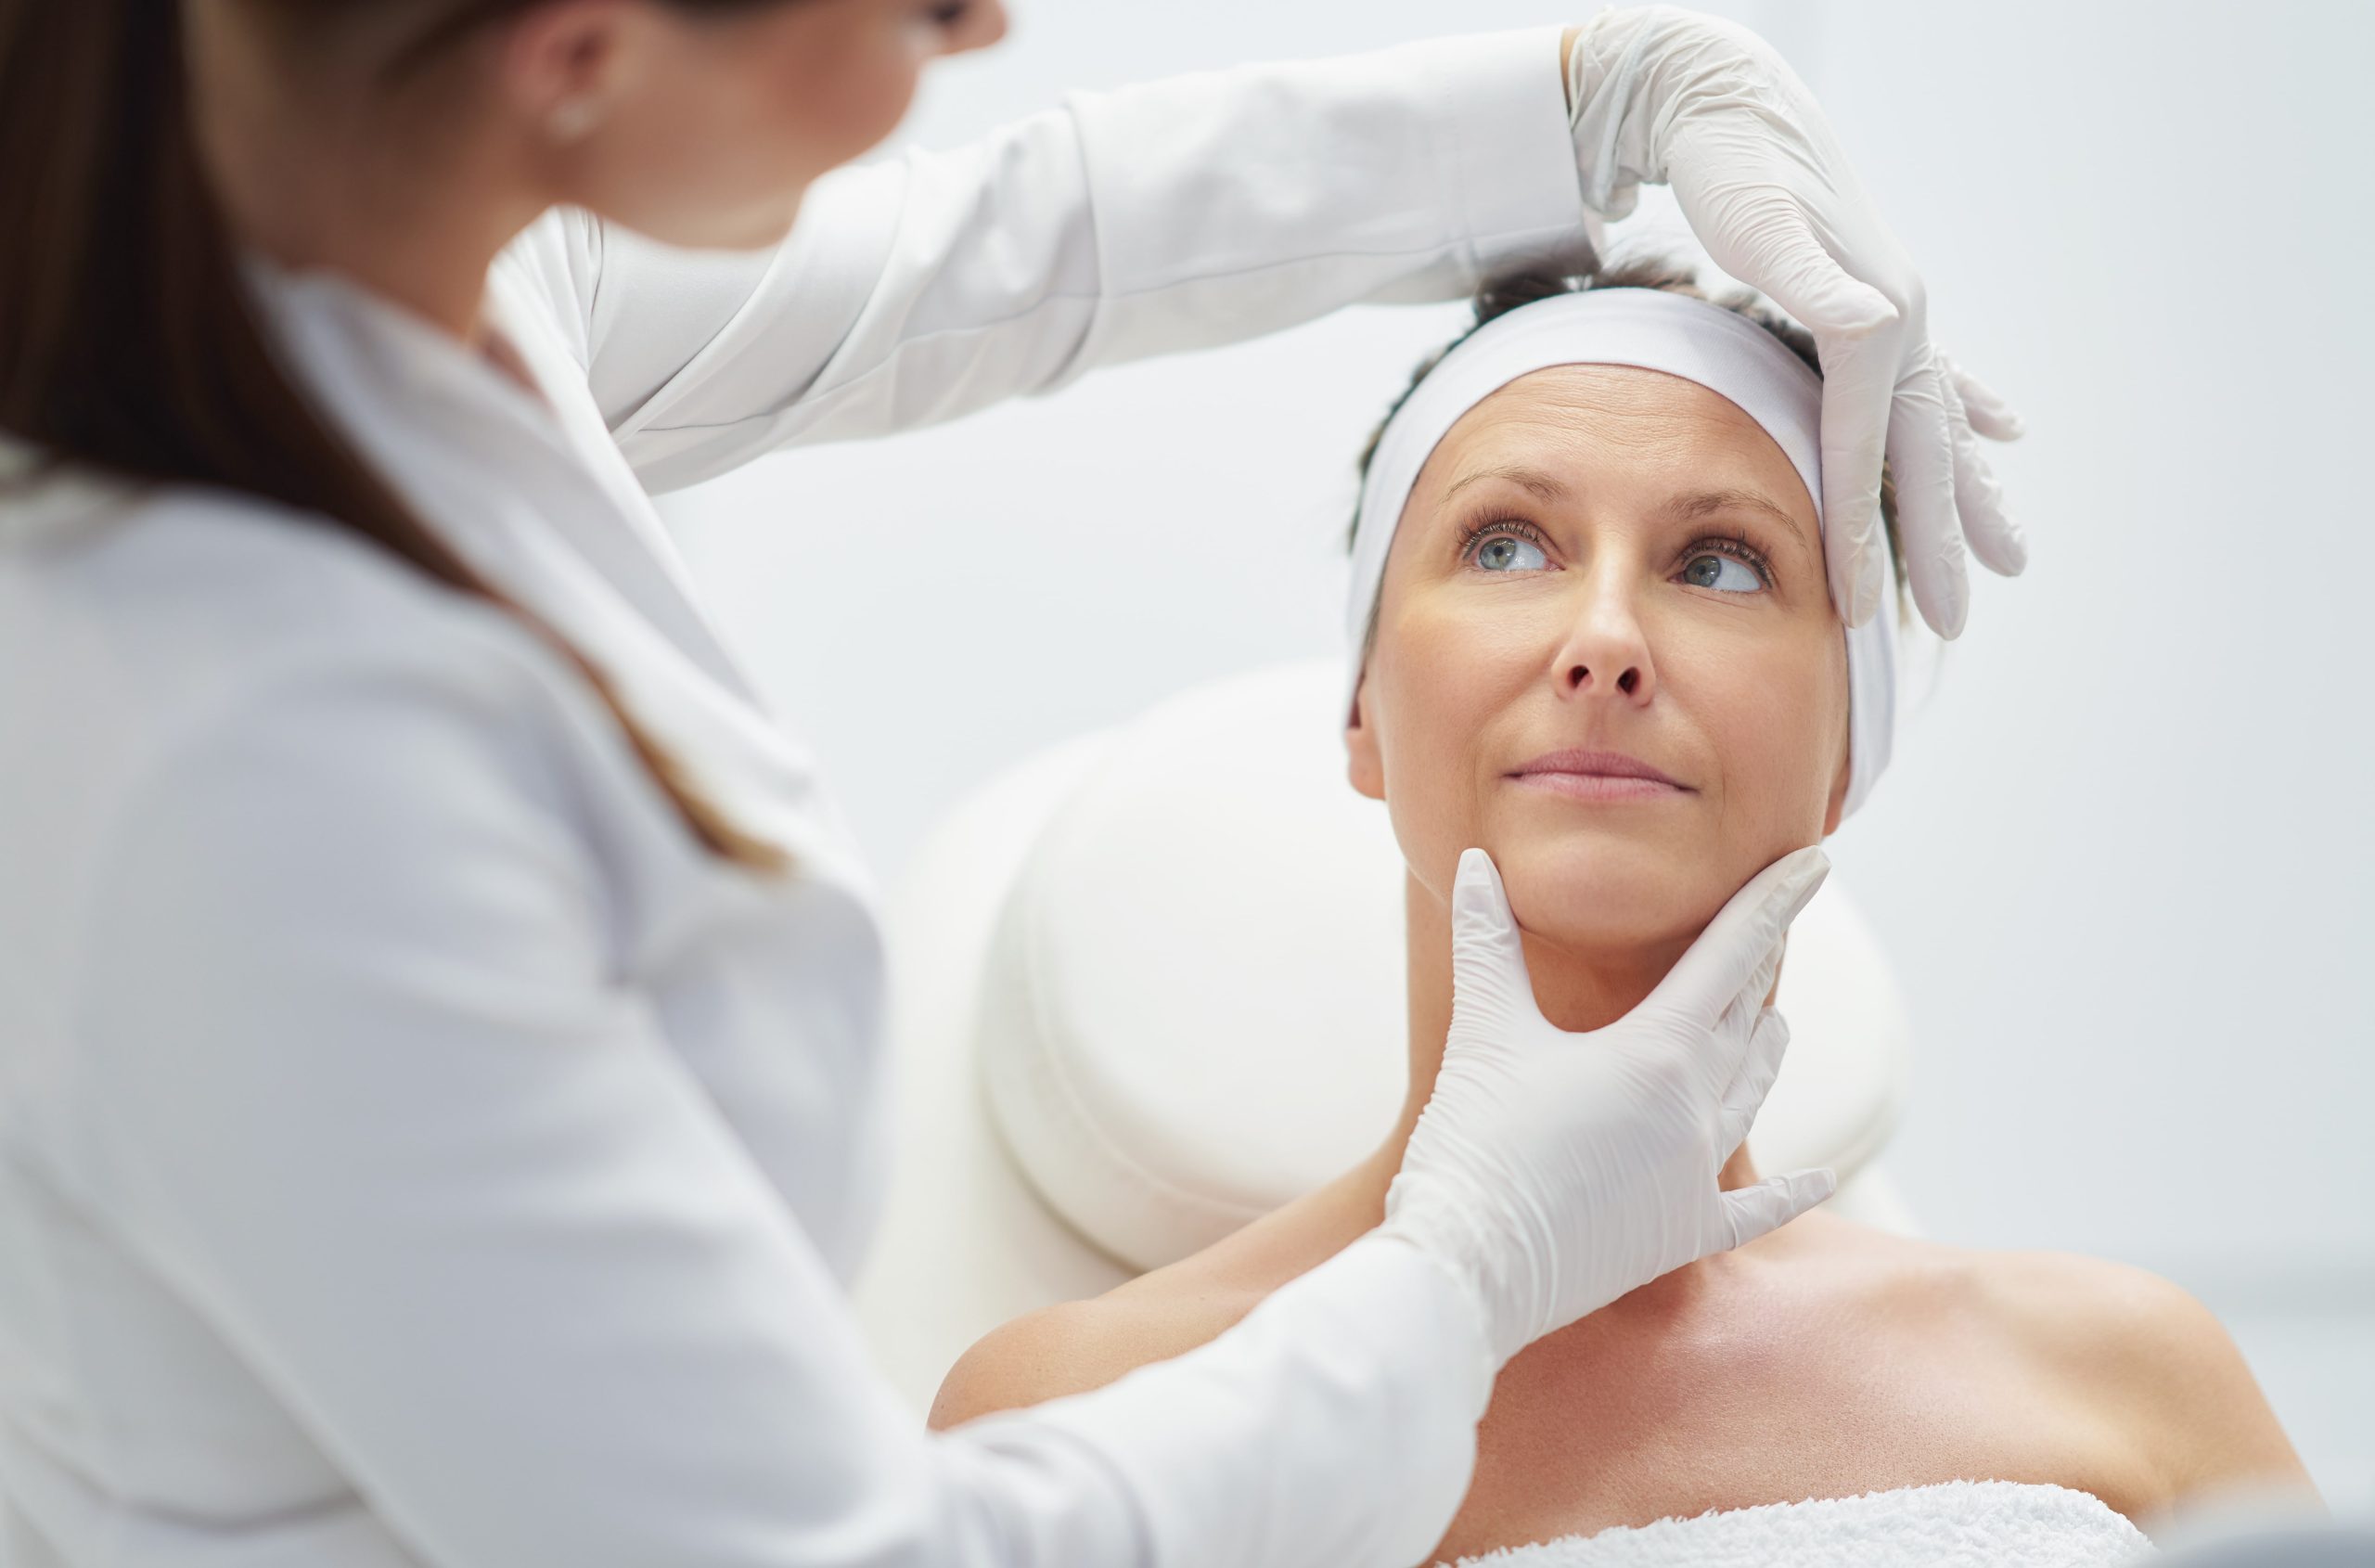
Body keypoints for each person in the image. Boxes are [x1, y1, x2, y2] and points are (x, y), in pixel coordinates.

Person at [0, 4, 2020, 1565]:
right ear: (576, 57)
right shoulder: (240, 770)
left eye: (1724, 558)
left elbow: (1023, 239)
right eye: (907, 11)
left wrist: (1603, 93)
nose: (979, 34)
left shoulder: (436, 277)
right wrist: (1466, 1267)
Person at [926, 260, 2322, 1564]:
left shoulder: (2127, 1380)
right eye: (1507, 544)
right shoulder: (1074, 1416)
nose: (1603, 639)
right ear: (1363, 708)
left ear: (1849, 748)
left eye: (1720, 562)